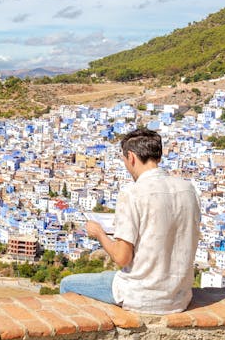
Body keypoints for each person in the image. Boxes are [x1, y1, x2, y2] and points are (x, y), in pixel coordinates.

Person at [60, 128, 200, 314]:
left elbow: (122, 258)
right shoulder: (188, 190)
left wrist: (99, 234)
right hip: (179, 297)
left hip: (141, 295)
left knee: (67, 284)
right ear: (157, 156)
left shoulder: (133, 193)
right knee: (105, 277)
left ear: (131, 157)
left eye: (124, 159)